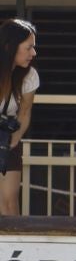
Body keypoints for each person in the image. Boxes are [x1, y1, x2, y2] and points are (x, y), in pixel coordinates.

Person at [0, 18, 37, 216]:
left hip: (8, 137)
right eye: (29, 47)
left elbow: (24, 111)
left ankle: (12, 245)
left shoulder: (29, 75)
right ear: (10, 47)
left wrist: (12, 141)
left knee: (9, 202)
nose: (34, 53)